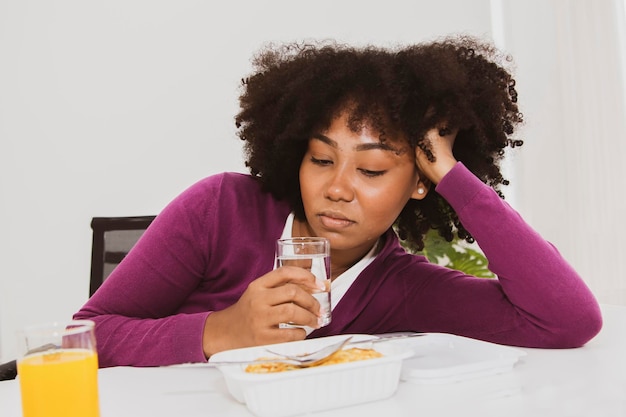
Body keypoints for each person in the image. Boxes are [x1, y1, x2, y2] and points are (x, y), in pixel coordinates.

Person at [74, 35, 602, 368]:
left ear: (419, 183)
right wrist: (222, 330)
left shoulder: (402, 288)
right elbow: (86, 339)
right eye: (322, 159)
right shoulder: (220, 210)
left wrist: (454, 177)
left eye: (371, 169)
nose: (337, 188)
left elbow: (566, 321)